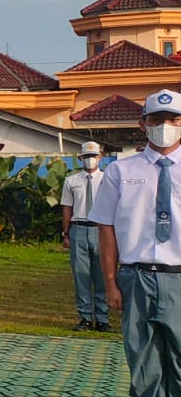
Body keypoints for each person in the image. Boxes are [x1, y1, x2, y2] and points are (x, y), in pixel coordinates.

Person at [90, 89, 181, 397]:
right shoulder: (119, 171)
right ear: (142, 123)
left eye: (174, 119)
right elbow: (106, 229)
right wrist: (111, 282)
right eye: (157, 120)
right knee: (144, 370)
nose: (165, 127)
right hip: (136, 277)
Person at [62, 141, 110, 331]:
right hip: (79, 228)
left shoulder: (108, 179)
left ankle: (103, 319)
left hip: (101, 230)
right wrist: (66, 233)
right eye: (87, 157)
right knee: (81, 275)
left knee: (103, 275)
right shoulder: (71, 181)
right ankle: (85, 318)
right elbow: (67, 208)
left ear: (100, 156)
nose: (90, 160)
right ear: (81, 158)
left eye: (94, 156)